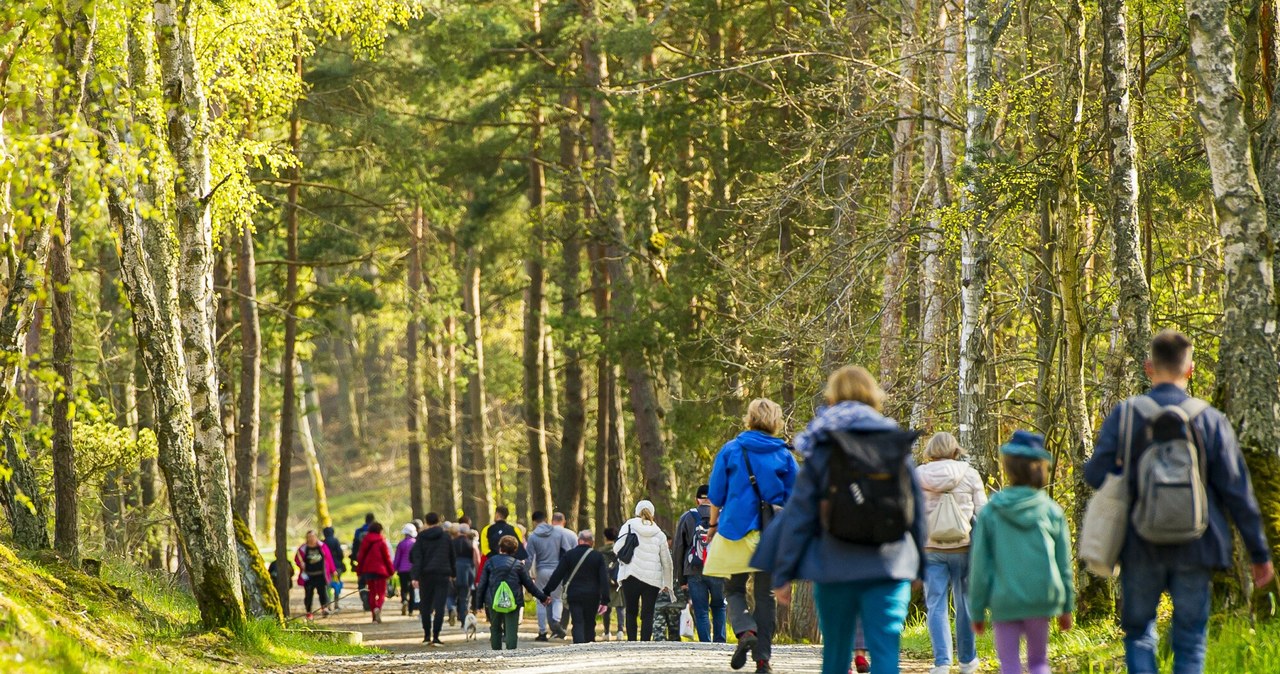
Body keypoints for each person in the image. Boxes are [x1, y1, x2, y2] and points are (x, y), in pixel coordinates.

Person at [1084, 330, 1274, 674]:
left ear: (1148, 367)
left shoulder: (1126, 415)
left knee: (1140, 633)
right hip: (1196, 545)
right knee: (1190, 639)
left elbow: (1095, 474)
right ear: (1190, 369)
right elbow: (1237, 491)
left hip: (1139, 545)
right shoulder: (1210, 420)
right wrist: (1259, 555)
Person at [752, 365, 926, 674]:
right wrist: (921, 565)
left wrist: (783, 572)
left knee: (835, 653)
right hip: (890, 565)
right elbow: (915, 508)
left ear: (833, 398)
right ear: (874, 396)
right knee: (886, 650)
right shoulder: (893, 441)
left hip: (833, 566)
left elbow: (800, 513)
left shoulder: (823, 443)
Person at [704, 398, 797, 673]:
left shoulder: (731, 450)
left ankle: (745, 630)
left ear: (750, 418)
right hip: (771, 534)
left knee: (733, 588)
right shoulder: (784, 455)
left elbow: (716, 494)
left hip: (736, 530)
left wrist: (712, 527)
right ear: (776, 421)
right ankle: (763, 660)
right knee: (766, 595)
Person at [969, 431, 1074, 674]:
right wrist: (1066, 605)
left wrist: (976, 610)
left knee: (1010, 664)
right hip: (1041, 596)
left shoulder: (991, 511)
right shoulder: (1051, 511)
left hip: (1004, 599)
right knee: (1038, 663)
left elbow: (980, 566)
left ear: (1008, 468)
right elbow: (1063, 565)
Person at [916, 431, 986, 674]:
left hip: (930, 548)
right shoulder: (970, 474)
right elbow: (983, 512)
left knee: (935, 604)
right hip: (964, 546)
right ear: (956, 450)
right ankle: (967, 661)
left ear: (930, 451)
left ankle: (942, 663)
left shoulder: (918, 475)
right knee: (965, 602)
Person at [614, 500, 673, 642]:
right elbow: (667, 561)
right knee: (648, 613)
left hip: (630, 575)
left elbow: (617, 548)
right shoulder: (659, 533)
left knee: (631, 611)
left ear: (637, 511)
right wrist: (667, 583)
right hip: (652, 580)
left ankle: (632, 641)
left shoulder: (628, 526)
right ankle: (645, 641)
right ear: (652, 513)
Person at [477, 535, 550, 651]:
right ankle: (511, 652)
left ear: (500, 548)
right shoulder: (518, 565)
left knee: (495, 627)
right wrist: (543, 597)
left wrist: (479, 603)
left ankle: (495, 651)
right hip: (513, 601)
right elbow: (529, 585)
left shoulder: (490, 562)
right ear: (515, 550)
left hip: (493, 600)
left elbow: (482, 584)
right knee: (511, 628)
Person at [673, 484, 725, 643]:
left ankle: (705, 643)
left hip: (694, 570)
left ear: (697, 500)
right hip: (718, 569)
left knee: (701, 610)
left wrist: (681, 578)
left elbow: (679, 549)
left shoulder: (687, 517)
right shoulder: (724, 516)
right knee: (719, 606)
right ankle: (720, 641)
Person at [541, 529, 611, 644]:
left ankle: (578, 645)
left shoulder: (569, 555)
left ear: (579, 541)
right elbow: (604, 579)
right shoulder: (597, 556)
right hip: (592, 595)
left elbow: (557, 575)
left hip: (574, 594)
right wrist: (605, 600)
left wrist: (547, 591)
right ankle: (589, 644)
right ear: (592, 542)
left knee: (577, 621)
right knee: (590, 621)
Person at [526, 510, 574, 640]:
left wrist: (525, 573)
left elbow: (529, 558)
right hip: (556, 569)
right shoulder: (557, 532)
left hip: (541, 570)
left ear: (534, 521)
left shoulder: (533, 536)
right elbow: (567, 551)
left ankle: (542, 632)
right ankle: (556, 622)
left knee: (541, 601)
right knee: (557, 598)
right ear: (546, 519)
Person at [411, 512, 456, 645]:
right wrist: (453, 573)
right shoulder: (446, 537)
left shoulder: (421, 537)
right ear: (438, 521)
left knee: (425, 605)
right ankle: (436, 636)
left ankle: (426, 635)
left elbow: (417, 557)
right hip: (442, 574)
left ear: (426, 522)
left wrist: (415, 576)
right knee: (440, 606)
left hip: (426, 575)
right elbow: (451, 556)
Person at [356, 521, 395, 623]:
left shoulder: (365, 540)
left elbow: (361, 557)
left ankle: (373, 615)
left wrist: (359, 572)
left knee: (372, 592)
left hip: (368, 571)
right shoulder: (382, 541)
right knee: (381, 593)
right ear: (380, 530)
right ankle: (378, 607)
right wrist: (391, 571)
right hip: (381, 571)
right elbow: (387, 558)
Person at [294, 530, 338, 619]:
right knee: (308, 594)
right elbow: (297, 559)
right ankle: (309, 612)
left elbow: (329, 558)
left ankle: (324, 608)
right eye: (309, 537)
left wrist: (333, 570)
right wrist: (301, 564)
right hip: (309, 575)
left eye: (312, 537)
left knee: (323, 593)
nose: (311, 539)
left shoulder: (322, 546)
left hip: (321, 575)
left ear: (316, 537)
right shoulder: (303, 548)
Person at [452, 522, 480, 627]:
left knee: (454, 594)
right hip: (468, 570)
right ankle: (463, 618)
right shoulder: (471, 543)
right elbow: (476, 559)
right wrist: (476, 572)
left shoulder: (452, 542)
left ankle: (453, 609)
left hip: (454, 569)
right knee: (465, 596)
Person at [599, 527, 624, 640]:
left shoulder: (601, 551)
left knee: (606, 607)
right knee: (620, 607)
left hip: (606, 582)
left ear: (605, 537)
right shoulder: (620, 551)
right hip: (618, 580)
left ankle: (607, 632)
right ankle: (620, 631)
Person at [393, 523, 419, 616]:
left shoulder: (401, 544)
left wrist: (394, 568)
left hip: (402, 570)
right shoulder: (416, 543)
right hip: (413, 570)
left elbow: (397, 558)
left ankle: (404, 600)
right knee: (412, 590)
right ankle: (411, 610)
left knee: (404, 588)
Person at [352, 513, 375, 611]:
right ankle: (370, 599)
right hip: (373, 561)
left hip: (360, 560)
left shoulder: (358, 531)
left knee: (361, 582)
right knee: (371, 582)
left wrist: (353, 559)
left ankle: (364, 596)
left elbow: (355, 547)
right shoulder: (375, 531)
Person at [322, 526, 347, 610]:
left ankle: (328, 604)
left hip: (326, 568)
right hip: (337, 567)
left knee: (327, 586)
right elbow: (340, 554)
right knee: (336, 585)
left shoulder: (323, 543)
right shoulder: (335, 541)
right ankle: (336, 604)